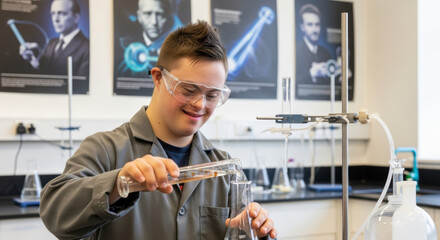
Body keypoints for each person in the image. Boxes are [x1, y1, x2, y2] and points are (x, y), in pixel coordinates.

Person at [40, 20, 278, 240]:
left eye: (212, 95)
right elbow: (55, 213)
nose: (200, 104)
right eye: (188, 89)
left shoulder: (224, 169)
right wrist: (119, 183)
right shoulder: (105, 149)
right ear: (158, 78)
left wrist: (256, 231)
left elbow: (241, 232)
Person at [19, 0, 89, 76]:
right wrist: (32, 59)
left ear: (76, 17)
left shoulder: (88, 48)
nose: (55, 19)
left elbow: (81, 84)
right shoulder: (51, 43)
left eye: (62, 13)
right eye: (53, 14)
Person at [117, 0, 178, 76]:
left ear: (166, 17)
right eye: (148, 14)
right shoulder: (124, 45)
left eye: (159, 14)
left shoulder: (178, 49)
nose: (154, 22)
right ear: (139, 17)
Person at [295, 3, 332, 85]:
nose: (314, 29)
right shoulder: (295, 51)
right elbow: (292, 81)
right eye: (310, 24)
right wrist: (312, 73)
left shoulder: (326, 53)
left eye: (317, 24)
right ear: (302, 27)